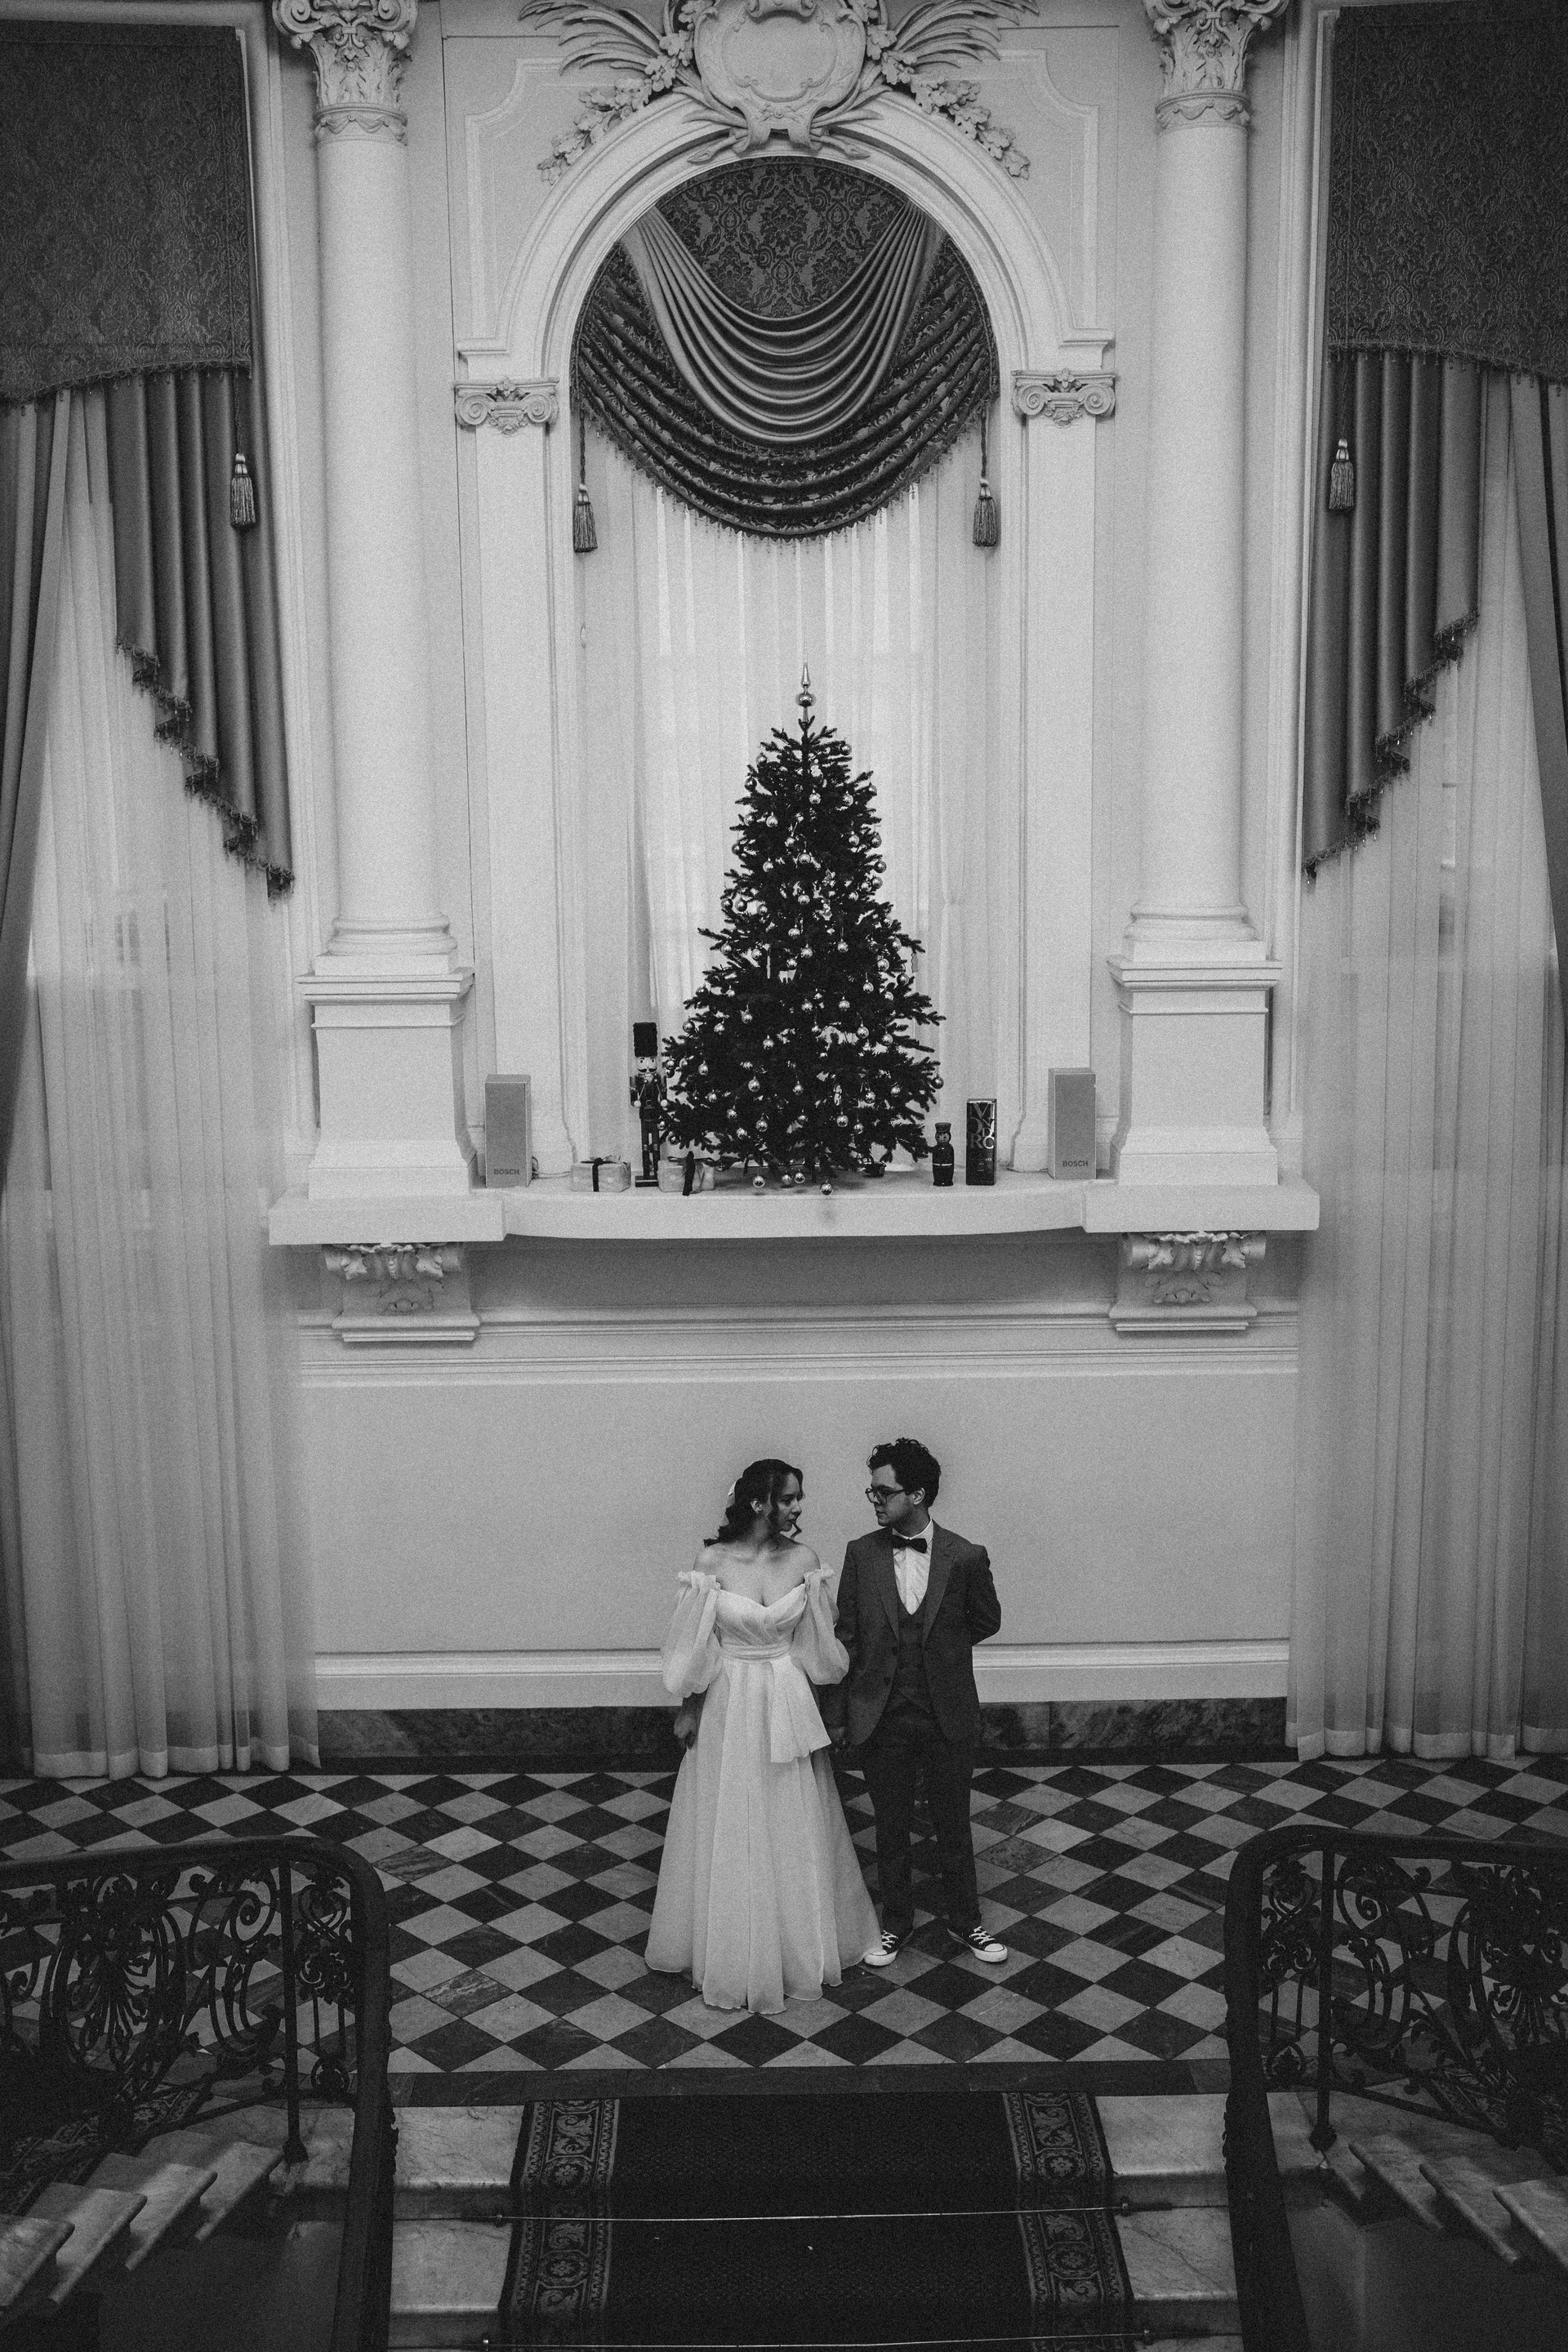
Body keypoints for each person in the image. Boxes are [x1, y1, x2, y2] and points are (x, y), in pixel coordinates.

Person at [646, 1458, 878, 2012]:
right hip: (727, 1699)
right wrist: (688, 1708)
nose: (799, 1507)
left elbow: (820, 1647)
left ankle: (797, 1945)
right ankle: (728, 1946)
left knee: (789, 1813)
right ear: (759, 1504)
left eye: (799, 1497)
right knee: (729, 1812)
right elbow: (696, 1645)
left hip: (787, 1696)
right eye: (790, 1498)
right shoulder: (712, 1562)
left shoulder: (805, 1560)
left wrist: (828, 1713)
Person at [827, 1437, 1007, 1966]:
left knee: (954, 1823)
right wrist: (840, 1715)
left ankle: (967, 1922)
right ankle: (895, 1924)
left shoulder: (965, 1556)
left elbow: (986, 1620)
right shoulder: (861, 1554)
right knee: (890, 1826)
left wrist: (941, 1655)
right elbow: (847, 1638)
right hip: (881, 1716)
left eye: (884, 1492)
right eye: (873, 1491)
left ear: (918, 1494)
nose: (875, 1501)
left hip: (946, 1713)